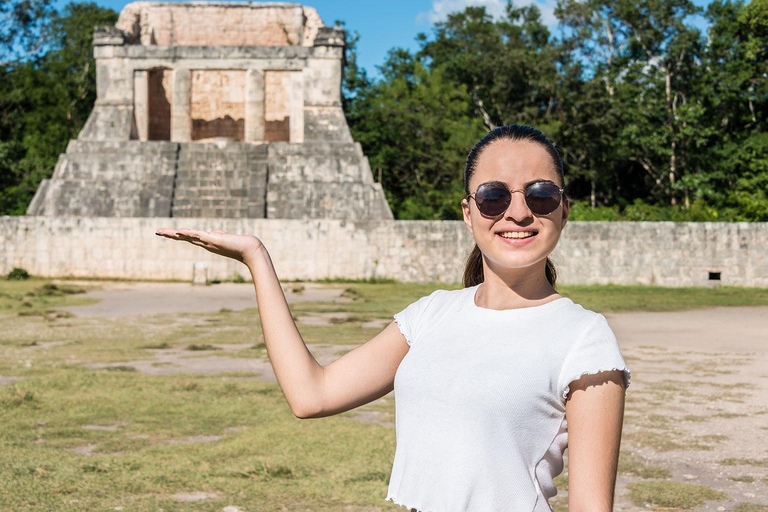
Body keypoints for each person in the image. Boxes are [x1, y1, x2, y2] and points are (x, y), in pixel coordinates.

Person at [156, 124, 630, 512]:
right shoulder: (432, 314)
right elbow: (311, 395)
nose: (519, 212)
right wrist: (257, 259)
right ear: (469, 214)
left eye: (541, 194)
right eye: (493, 196)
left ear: (564, 211)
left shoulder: (583, 337)